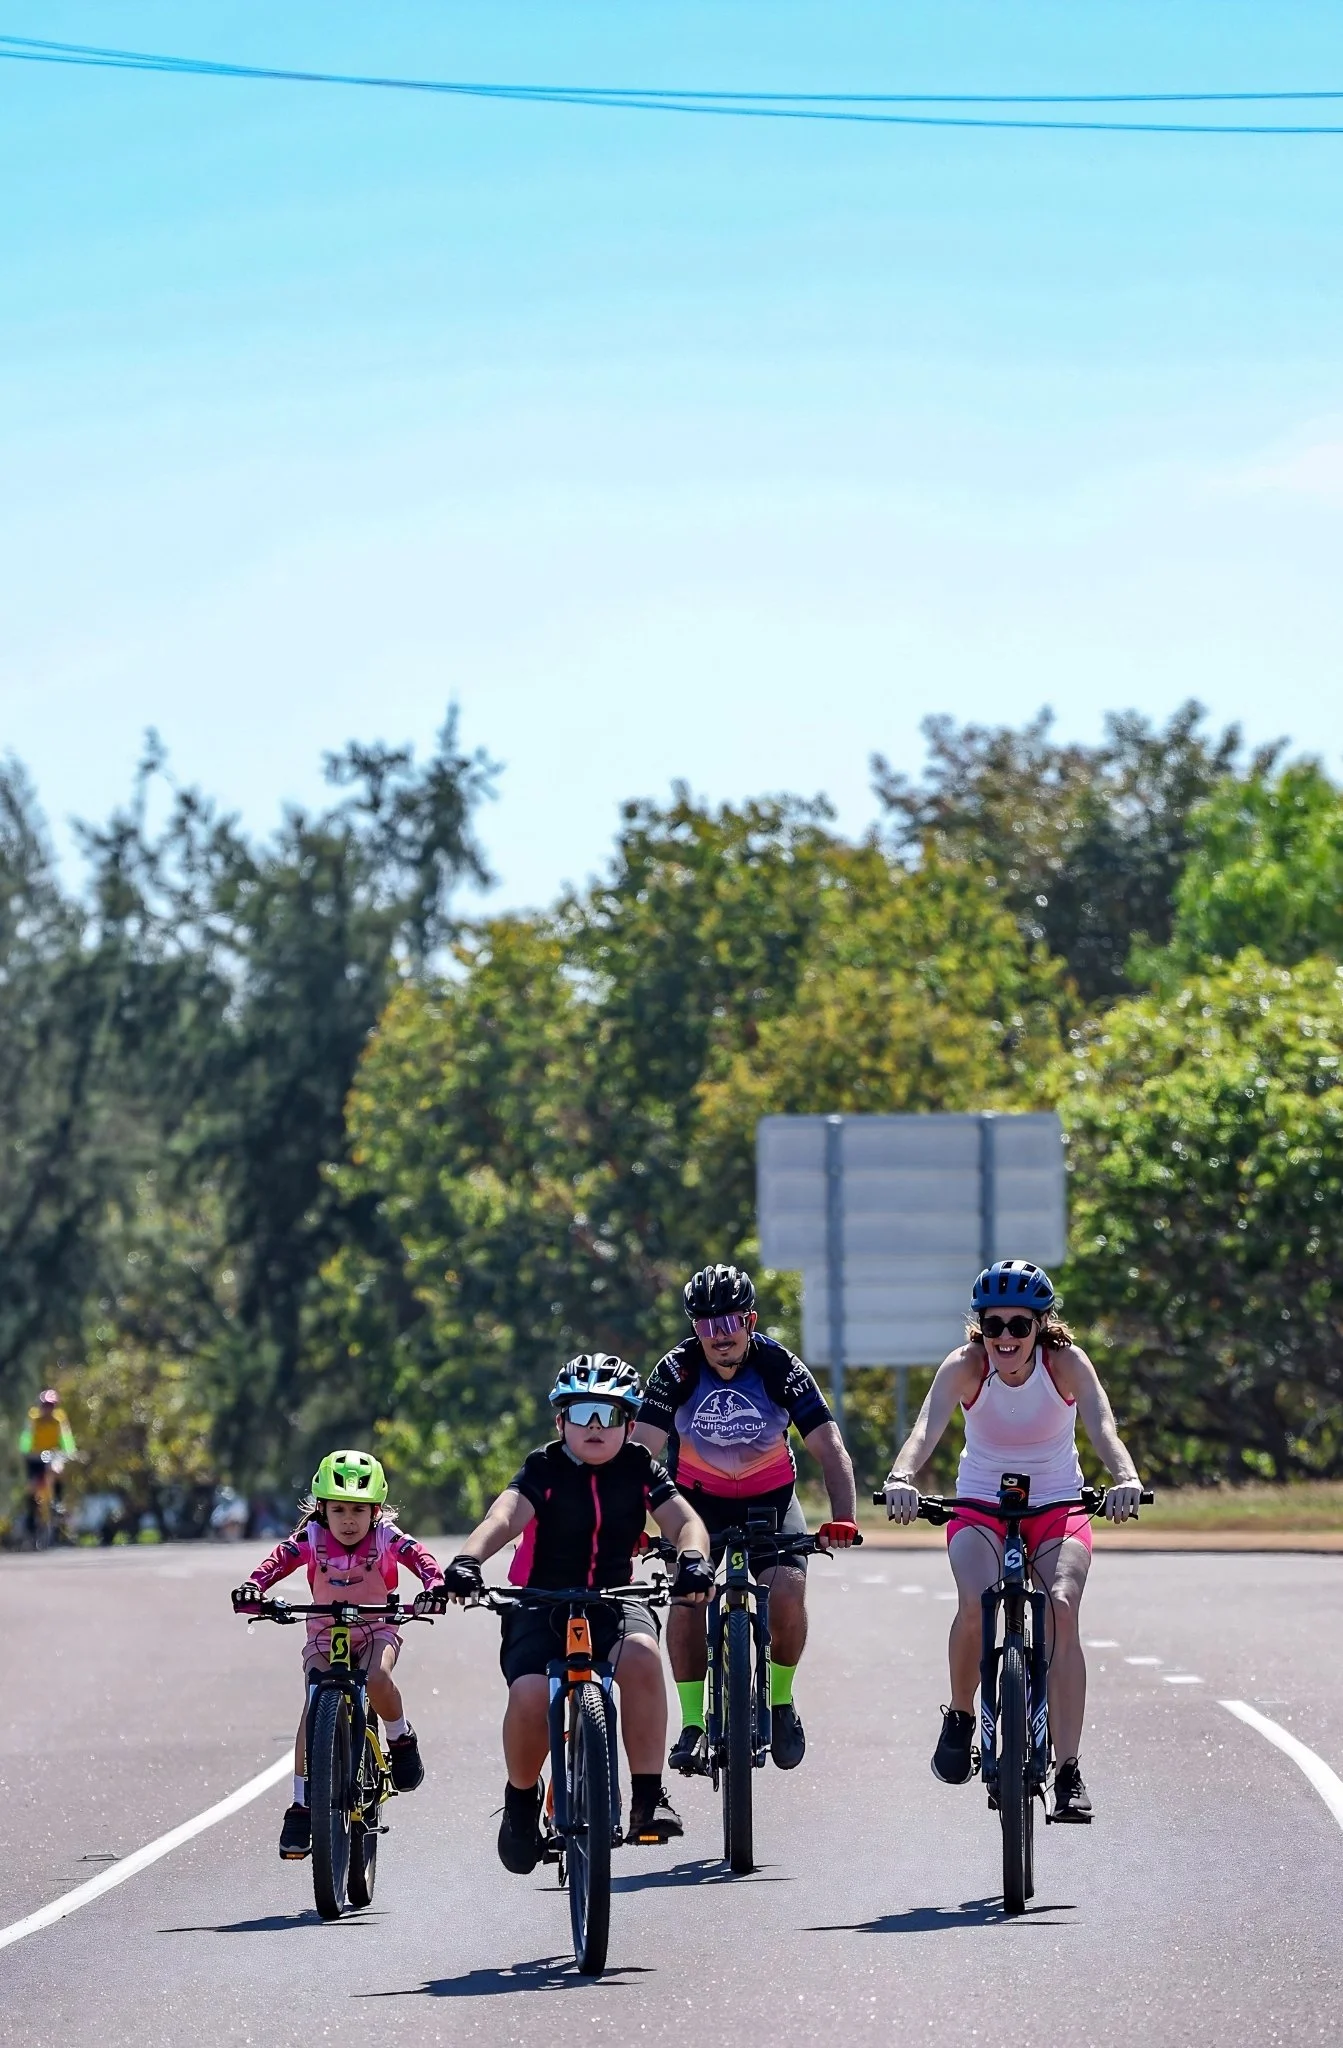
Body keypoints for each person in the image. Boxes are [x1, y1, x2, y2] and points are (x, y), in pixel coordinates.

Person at [881, 1259, 1144, 1822]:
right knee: (976, 1602)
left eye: (1018, 1325)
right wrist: (902, 1479)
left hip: (1057, 1506)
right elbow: (925, 1430)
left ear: (1040, 1326)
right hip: (980, 1507)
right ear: (980, 1327)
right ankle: (960, 1715)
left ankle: (1068, 1770)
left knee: (1063, 1608)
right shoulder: (965, 1367)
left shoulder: (1066, 1364)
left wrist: (1125, 1479)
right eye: (993, 1324)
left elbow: (1103, 1427)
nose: (1005, 1337)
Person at [440, 1355, 713, 1873]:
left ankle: (648, 1797)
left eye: (607, 1415)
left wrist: (695, 1560)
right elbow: (503, 1515)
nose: (594, 1427)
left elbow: (686, 1523)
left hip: (612, 1596)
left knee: (641, 1654)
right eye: (581, 1412)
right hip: (539, 1602)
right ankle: (522, 1801)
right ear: (559, 1421)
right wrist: (468, 1561)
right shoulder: (543, 1468)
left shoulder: (640, 1468)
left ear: (630, 1425)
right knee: (526, 1695)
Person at [633, 1263, 859, 1777]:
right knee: (688, 1599)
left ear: (750, 1321)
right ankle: (692, 1723)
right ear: (695, 1330)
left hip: (770, 1504)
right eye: (707, 1326)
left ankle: (780, 1704)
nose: (720, 1337)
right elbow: (639, 1452)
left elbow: (829, 1448)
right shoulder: (677, 1370)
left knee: (786, 1593)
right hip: (695, 1508)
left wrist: (843, 1517)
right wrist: (630, 1523)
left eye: (730, 1323)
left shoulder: (779, 1366)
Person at [231, 1449, 447, 1861]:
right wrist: (253, 1589)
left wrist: (433, 1586)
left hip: (377, 1627)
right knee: (313, 1706)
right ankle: (301, 1804)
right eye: (339, 1510)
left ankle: (399, 1738)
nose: (349, 1520)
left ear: (376, 1511)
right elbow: (276, 1561)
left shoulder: (386, 1537)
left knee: (378, 1680)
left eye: (358, 1511)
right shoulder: (310, 1539)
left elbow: (420, 1558)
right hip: (325, 1635)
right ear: (322, 1509)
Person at [19, 1389, 77, 1537]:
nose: (48, 1409)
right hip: (35, 1456)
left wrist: (70, 1451)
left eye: (51, 1406)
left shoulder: (58, 1419)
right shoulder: (33, 1418)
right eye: (45, 1405)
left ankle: (57, 1501)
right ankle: (31, 1516)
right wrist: (25, 1450)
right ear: (40, 1405)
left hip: (52, 1454)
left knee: (57, 1469)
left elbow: (66, 1437)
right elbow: (27, 1436)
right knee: (32, 1487)